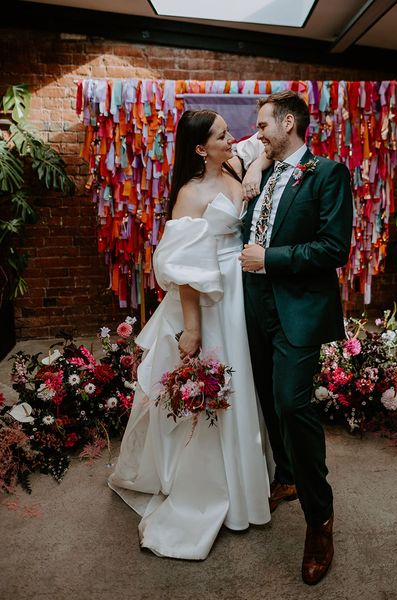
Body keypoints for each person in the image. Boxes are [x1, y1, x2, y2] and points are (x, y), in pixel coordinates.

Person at [108, 109, 271, 560]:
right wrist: (193, 329)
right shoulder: (189, 194)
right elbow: (183, 271)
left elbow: (260, 146)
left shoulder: (235, 162)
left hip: (240, 292)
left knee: (244, 384)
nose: (232, 138)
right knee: (220, 386)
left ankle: (247, 480)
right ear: (201, 148)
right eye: (222, 135)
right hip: (210, 299)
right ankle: (209, 493)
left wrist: (255, 165)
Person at [239, 91, 353, 585]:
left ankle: (320, 519)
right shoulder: (264, 167)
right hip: (253, 303)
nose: (257, 133)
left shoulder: (327, 173)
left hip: (298, 307)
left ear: (290, 122)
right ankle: (286, 475)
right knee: (265, 395)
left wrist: (272, 260)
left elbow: (333, 247)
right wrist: (257, 164)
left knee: (291, 402)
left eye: (263, 125)